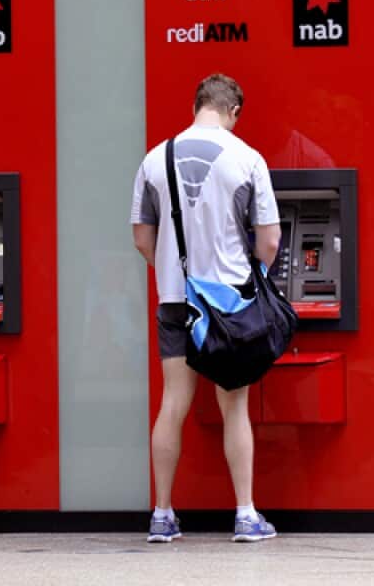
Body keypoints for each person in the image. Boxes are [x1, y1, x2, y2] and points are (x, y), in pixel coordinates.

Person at [130, 73, 282, 543]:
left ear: (197, 105)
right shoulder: (248, 158)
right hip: (230, 303)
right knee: (234, 406)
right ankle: (245, 514)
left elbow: (141, 238)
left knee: (172, 404)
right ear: (233, 111)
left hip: (177, 301)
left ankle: (161, 514)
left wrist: (175, 272)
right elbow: (271, 239)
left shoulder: (155, 159)